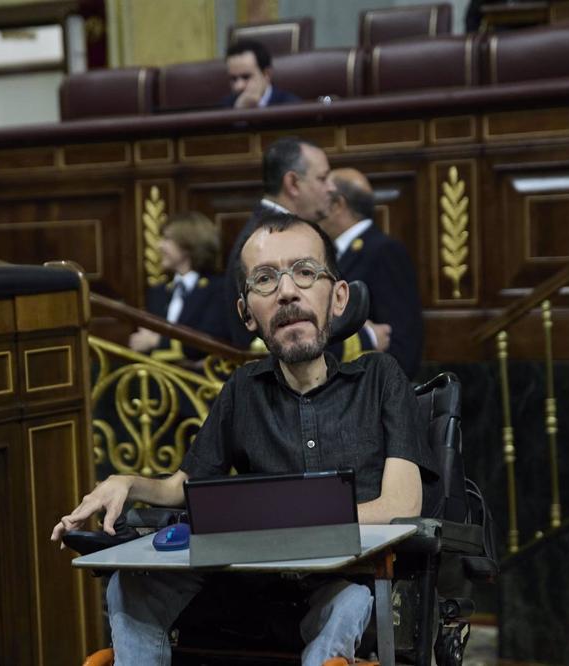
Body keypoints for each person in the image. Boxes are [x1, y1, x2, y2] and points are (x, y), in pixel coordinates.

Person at [52, 213, 437, 665]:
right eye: (266, 280)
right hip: (257, 589)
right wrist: (127, 483)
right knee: (131, 585)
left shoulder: (378, 377)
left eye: (305, 272)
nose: (288, 292)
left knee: (349, 604)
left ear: (338, 297)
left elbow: (400, 505)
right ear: (246, 314)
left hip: (350, 582)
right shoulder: (243, 388)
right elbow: (184, 486)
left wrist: (275, 526)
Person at [224, 136, 336, 348]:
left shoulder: (267, 230)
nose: (331, 188)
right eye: (322, 178)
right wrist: (367, 336)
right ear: (293, 183)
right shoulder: (261, 240)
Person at [320, 169, 424, 379]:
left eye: (323, 196)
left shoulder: (384, 251)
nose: (316, 206)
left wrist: (385, 397)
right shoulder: (336, 253)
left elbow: (402, 341)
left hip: (371, 391)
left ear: (338, 204)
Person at [128, 212, 229, 361]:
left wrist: (156, 341)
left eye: (167, 239)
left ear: (189, 244)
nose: (159, 245)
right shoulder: (159, 292)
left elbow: (211, 341)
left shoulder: (217, 289)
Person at [224, 39, 300, 109]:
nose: (238, 86)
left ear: (267, 74)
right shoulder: (224, 107)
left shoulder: (291, 106)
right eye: (233, 79)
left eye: (246, 77)